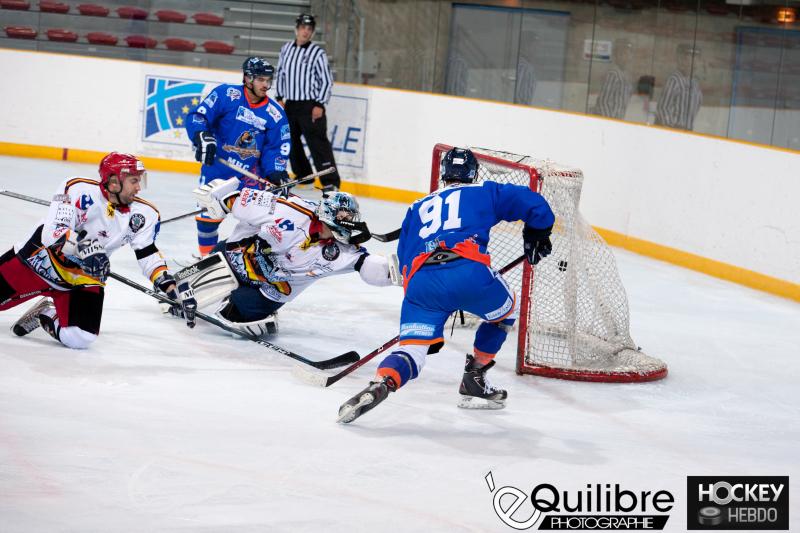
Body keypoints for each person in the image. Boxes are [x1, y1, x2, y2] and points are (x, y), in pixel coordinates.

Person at [337, 147, 555, 424]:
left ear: (443, 174)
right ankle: (475, 375)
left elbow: (404, 260)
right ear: (473, 173)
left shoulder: (416, 207)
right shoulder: (484, 190)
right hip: (468, 273)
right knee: (507, 310)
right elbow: (531, 202)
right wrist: (538, 232)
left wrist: (428, 301)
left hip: (421, 284)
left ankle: (383, 382)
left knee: (412, 351)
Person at [0, 153, 194, 349]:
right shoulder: (75, 188)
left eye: (140, 180)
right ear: (114, 182)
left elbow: (147, 253)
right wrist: (85, 248)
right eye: (134, 181)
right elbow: (52, 232)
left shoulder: (146, 215)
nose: (138, 188)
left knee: (80, 337)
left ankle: (46, 313)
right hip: (38, 261)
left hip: (83, 277)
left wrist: (170, 286)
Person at [189, 178, 399, 335]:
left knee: (234, 317)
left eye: (351, 217)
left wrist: (402, 272)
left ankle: (245, 307)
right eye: (345, 216)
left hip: (269, 292)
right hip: (233, 258)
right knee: (184, 294)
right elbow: (236, 200)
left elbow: (367, 265)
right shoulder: (289, 209)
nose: (349, 221)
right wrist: (219, 199)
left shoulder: (343, 252)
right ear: (329, 212)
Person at [186, 57, 291, 257]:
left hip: (250, 177)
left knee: (256, 225)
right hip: (217, 170)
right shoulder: (226, 94)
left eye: (268, 80)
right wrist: (201, 135)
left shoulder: (275, 113)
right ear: (248, 78)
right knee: (207, 221)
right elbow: (198, 116)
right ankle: (206, 260)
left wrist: (276, 171)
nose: (266, 85)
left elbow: (276, 147)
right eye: (261, 80)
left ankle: (246, 263)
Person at [275, 13, 341, 193]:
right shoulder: (286, 49)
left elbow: (326, 80)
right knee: (290, 141)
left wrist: (319, 104)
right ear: (296, 29)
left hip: (310, 105)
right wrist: (279, 97)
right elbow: (280, 74)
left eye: (309, 29)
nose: (306, 31)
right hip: (290, 105)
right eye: (303, 28)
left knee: (318, 144)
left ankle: (330, 181)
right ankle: (304, 174)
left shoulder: (317, 53)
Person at [655, 44, 703, 130]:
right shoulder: (674, 80)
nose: (692, 63)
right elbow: (663, 108)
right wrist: (671, 130)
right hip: (673, 130)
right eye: (686, 59)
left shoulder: (695, 83)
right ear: (679, 60)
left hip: (687, 130)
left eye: (695, 58)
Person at [594, 38, 634, 120]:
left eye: (627, 54)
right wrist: (610, 122)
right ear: (616, 56)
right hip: (609, 120)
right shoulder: (613, 74)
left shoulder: (625, 75)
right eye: (621, 54)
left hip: (618, 120)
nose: (624, 57)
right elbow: (603, 102)